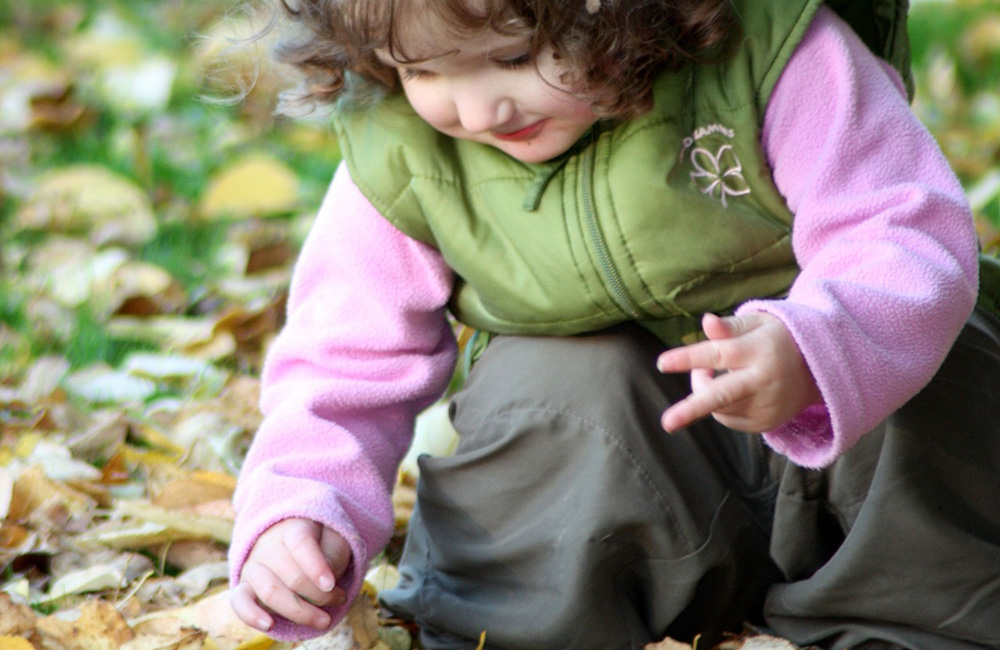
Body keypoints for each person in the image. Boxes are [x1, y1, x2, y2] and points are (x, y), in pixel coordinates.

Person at [227, 0, 1000, 647]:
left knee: (929, 365)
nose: (476, 108)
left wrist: (811, 347)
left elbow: (901, 231)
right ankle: (523, 625)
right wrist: (301, 506)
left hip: (847, 466)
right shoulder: (403, 148)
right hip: (644, 493)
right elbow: (345, 355)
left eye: (514, 55)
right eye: (424, 70)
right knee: (552, 384)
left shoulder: (772, 55)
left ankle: (907, 622)